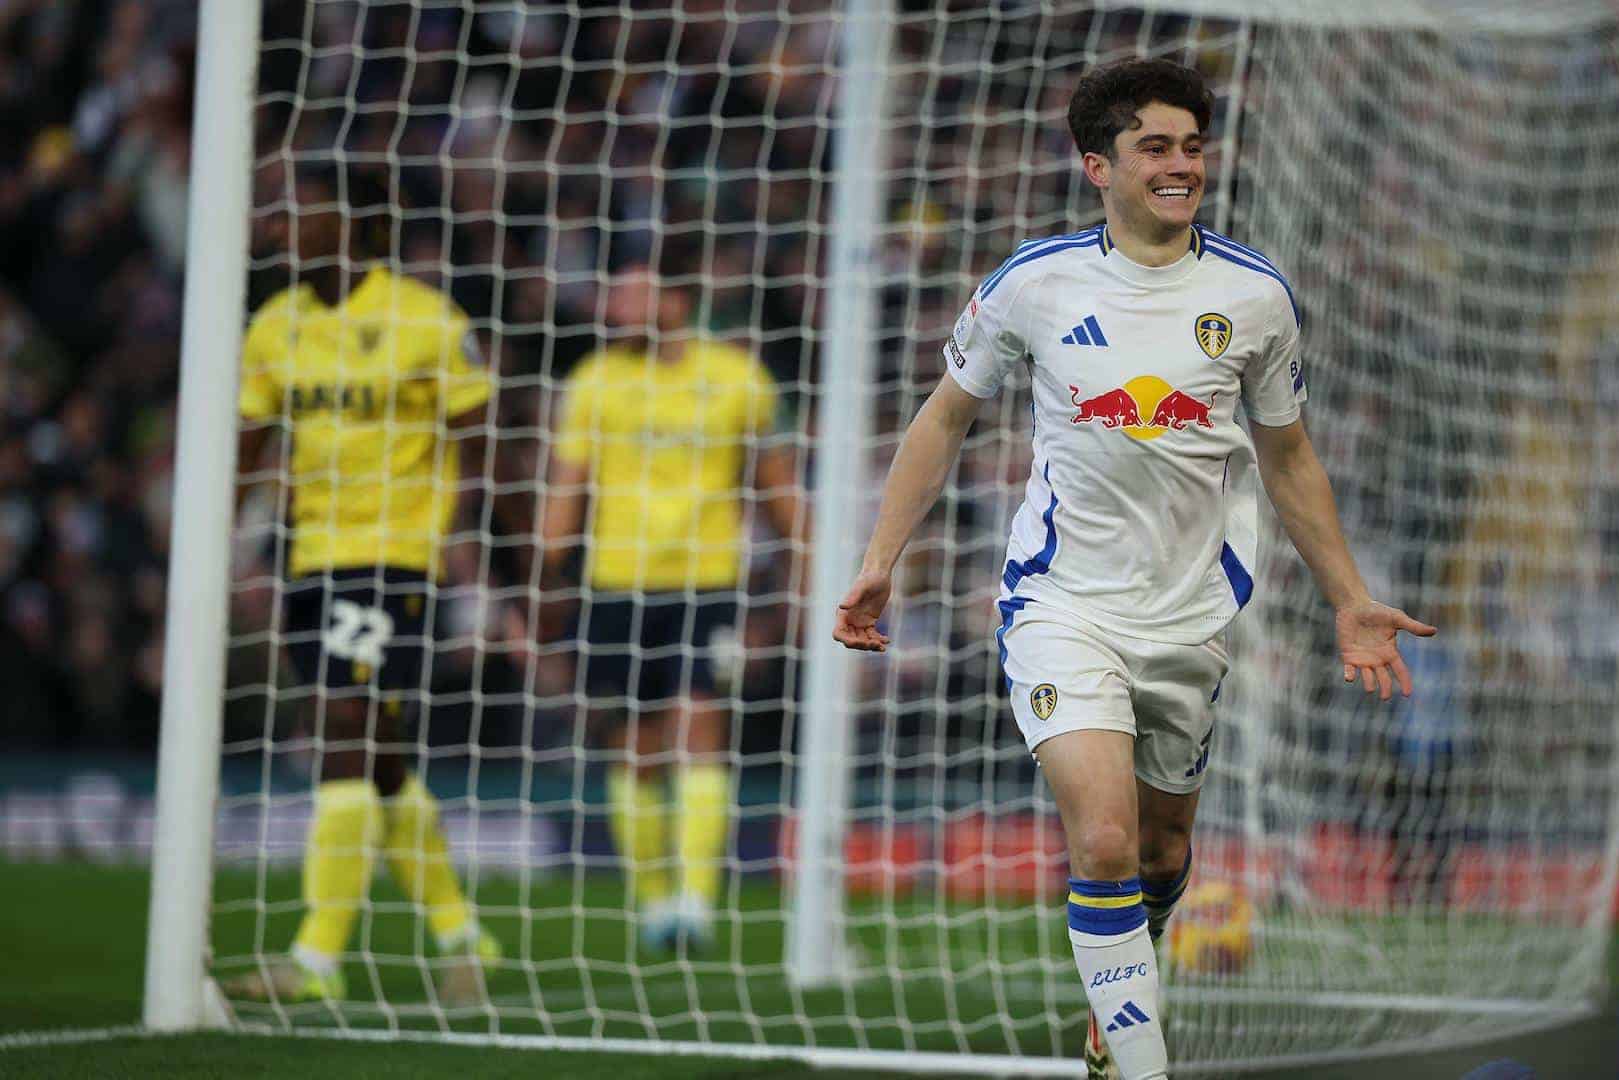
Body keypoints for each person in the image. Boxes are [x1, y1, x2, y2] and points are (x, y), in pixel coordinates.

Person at [832, 59, 1434, 1080]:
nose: (1181, 165)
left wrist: (1349, 599)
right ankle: (1137, 1060)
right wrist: (881, 559)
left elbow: (1287, 455)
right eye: (1156, 146)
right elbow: (944, 415)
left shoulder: (1254, 297)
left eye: (1193, 146)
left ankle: (1123, 990)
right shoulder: (1036, 282)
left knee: (1159, 855)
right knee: (1105, 839)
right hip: (1060, 604)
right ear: (1097, 165)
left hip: (1189, 616)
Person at [224, 164, 500, 1004]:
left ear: (352, 225)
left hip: (393, 557)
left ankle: (314, 959)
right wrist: (226, 544)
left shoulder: (423, 320)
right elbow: (254, 442)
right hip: (308, 558)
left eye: (299, 214)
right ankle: (462, 934)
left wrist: (461, 539)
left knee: (340, 730)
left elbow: (479, 430)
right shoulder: (273, 327)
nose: (281, 229)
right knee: (375, 754)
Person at [539, 251, 804, 951]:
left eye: (630, 289)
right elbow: (565, 495)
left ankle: (695, 902)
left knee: (700, 732)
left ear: (677, 300)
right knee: (633, 752)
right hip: (614, 587)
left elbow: (779, 489)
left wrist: (804, 575)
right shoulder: (593, 382)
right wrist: (545, 565)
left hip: (706, 584)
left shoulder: (737, 378)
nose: (615, 304)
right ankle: (655, 903)